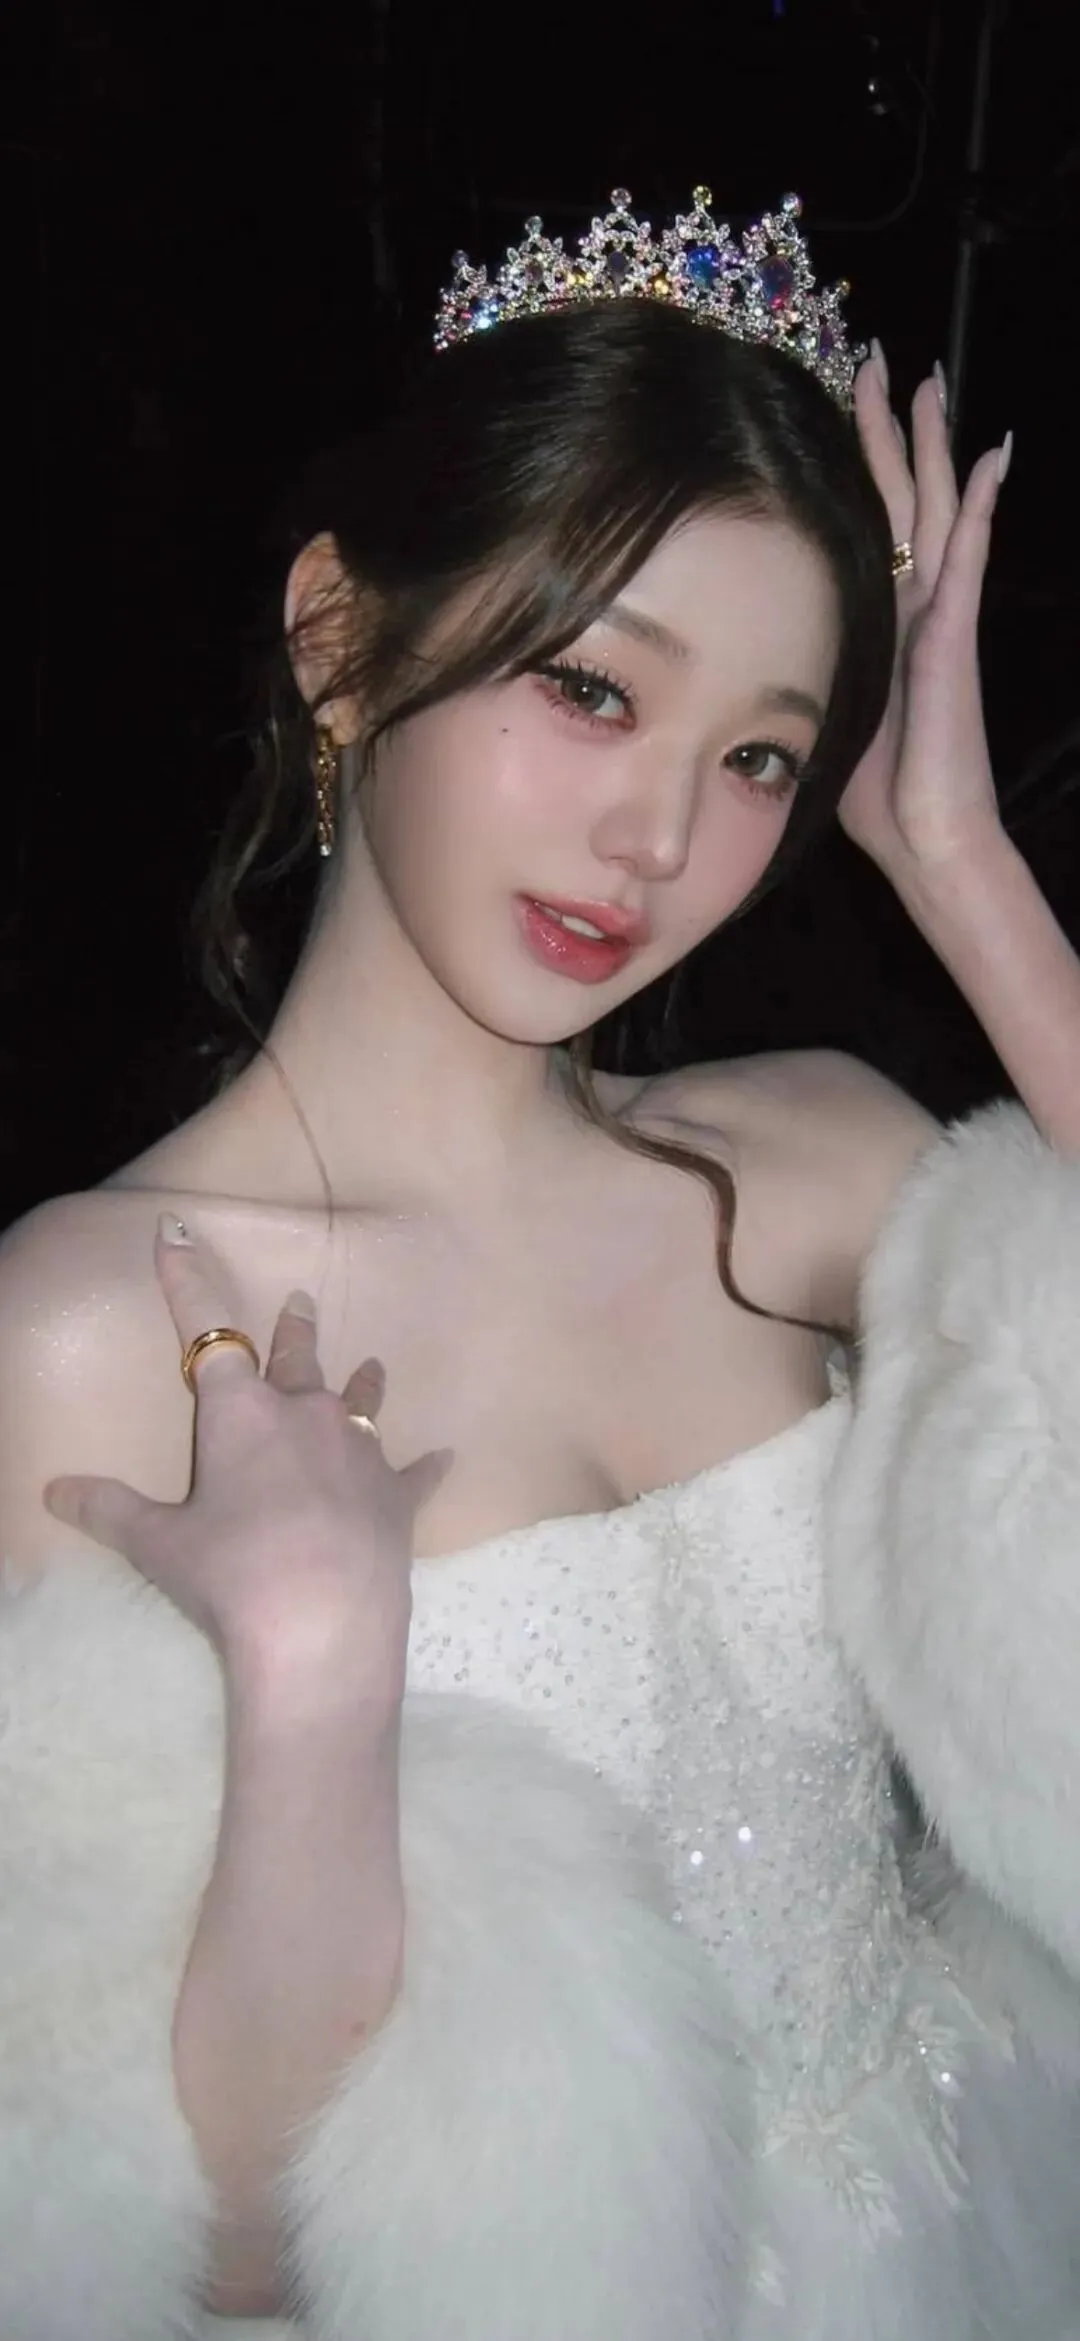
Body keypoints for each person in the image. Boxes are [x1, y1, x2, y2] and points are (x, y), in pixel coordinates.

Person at [1, 186, 1079, 2341]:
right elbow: (204, 2255)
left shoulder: (820, 1156)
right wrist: (314, 1692)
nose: (663, 841)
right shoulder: (88, 1331)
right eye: (592, 689)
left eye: (759, 755)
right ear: (341, 637)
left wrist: (964, 870)